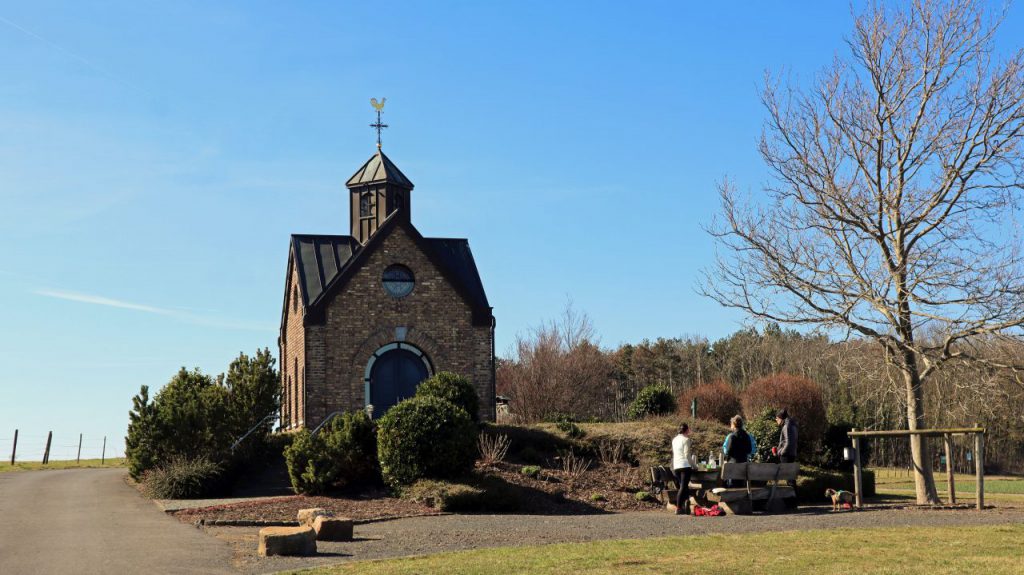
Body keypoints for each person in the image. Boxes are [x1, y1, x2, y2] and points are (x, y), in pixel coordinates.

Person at [775, 409, 799, 501]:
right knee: (791, 478)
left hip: (786, 455)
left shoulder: (786, 426)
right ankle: (794, 499)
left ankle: (792, 500)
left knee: (789, 479)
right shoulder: (793, 424)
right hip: (792, 453)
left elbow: (788, 442)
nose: (776, 420)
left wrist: (781, 452)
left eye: (777, 418)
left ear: (781, 418)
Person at [671, 422, 694, 515]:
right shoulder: (686, 439)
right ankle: (678, 507)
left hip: (676, 466)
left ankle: (686, 504)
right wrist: (694, 465)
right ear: (687, 430)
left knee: (683, 487)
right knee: (683, 486)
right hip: (685, 465)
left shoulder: (674, 440)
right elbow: (687, 455)